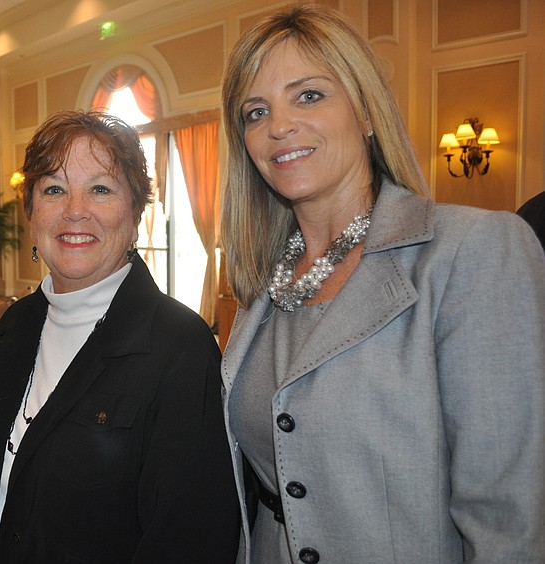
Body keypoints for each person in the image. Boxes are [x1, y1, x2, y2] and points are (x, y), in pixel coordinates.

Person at [219, 5, 545, 563]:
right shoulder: (263, 287)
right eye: (256, 111)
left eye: (308, 95)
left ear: (367, 112)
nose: (278, 126)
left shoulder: (472, 252)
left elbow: (507, 521)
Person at [0, 110, 239, 563]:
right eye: (54, 189)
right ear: (31, 213)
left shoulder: (180, 348)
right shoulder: (15, 325)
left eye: (100, 189)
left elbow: (191, 538)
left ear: (135, 215)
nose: (75, 210)